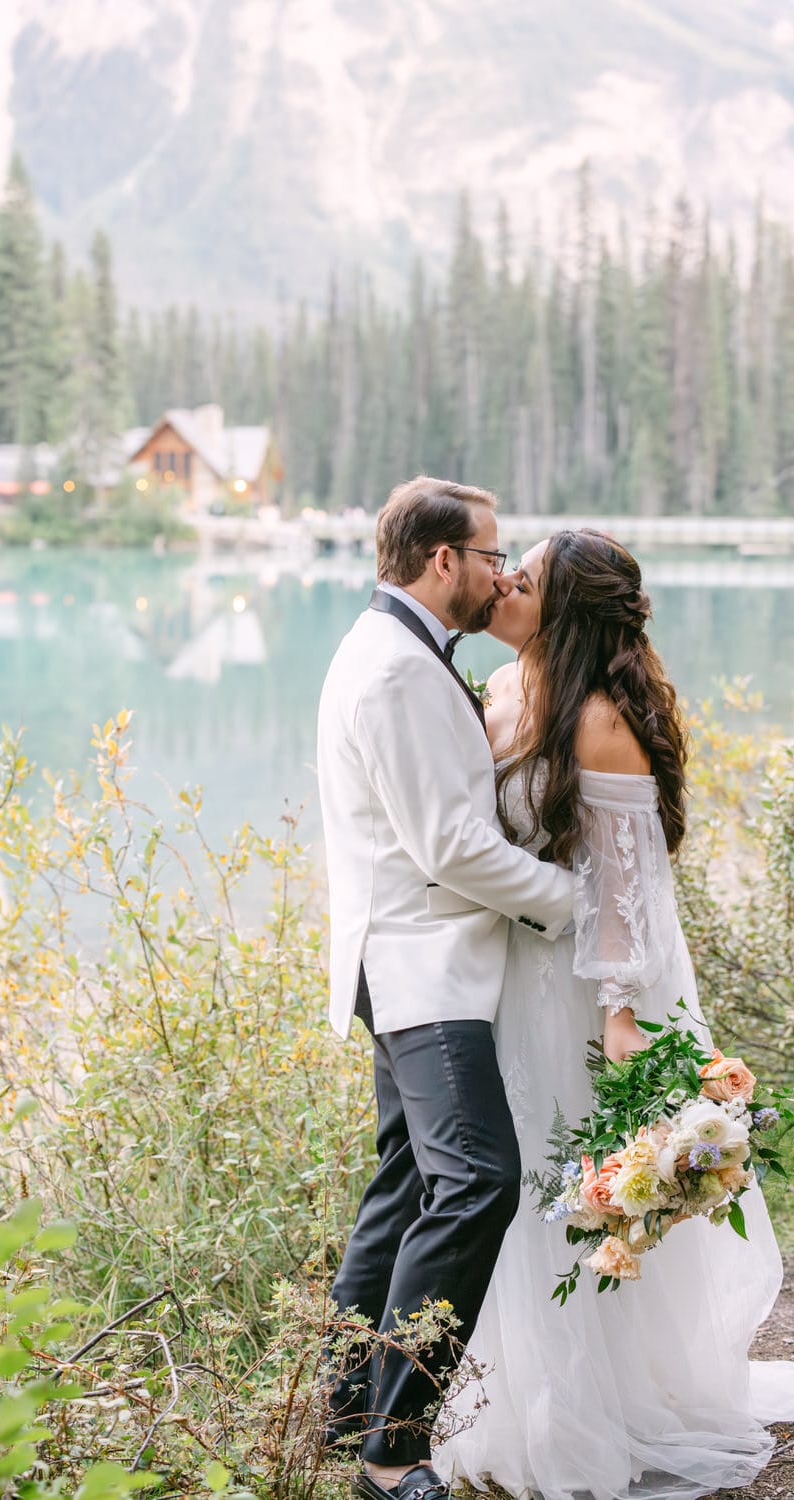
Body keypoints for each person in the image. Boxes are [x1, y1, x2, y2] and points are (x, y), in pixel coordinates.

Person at [436, 528, 794, 1500]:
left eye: (529, 577)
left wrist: (616, 1012)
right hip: (504, 976)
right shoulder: (504, 687)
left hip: (583, 991)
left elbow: (624, 885)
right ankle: (509, 1405)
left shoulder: (598, 718)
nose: (507, 580)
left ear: (564, 609)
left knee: (567, 1184)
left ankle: (582, 1421)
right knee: (510, 1194)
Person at [316, 477, 576, 1500]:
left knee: (407, 1185)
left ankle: (338, 1413)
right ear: (439, 562)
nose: (498, 570)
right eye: (486, 553)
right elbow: (449, 845)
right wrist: (565, 901)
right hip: (421, 968)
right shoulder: (391, 671)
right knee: (477, 1183)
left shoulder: (403, 654)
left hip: (414, 962)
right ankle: (391, 1450)